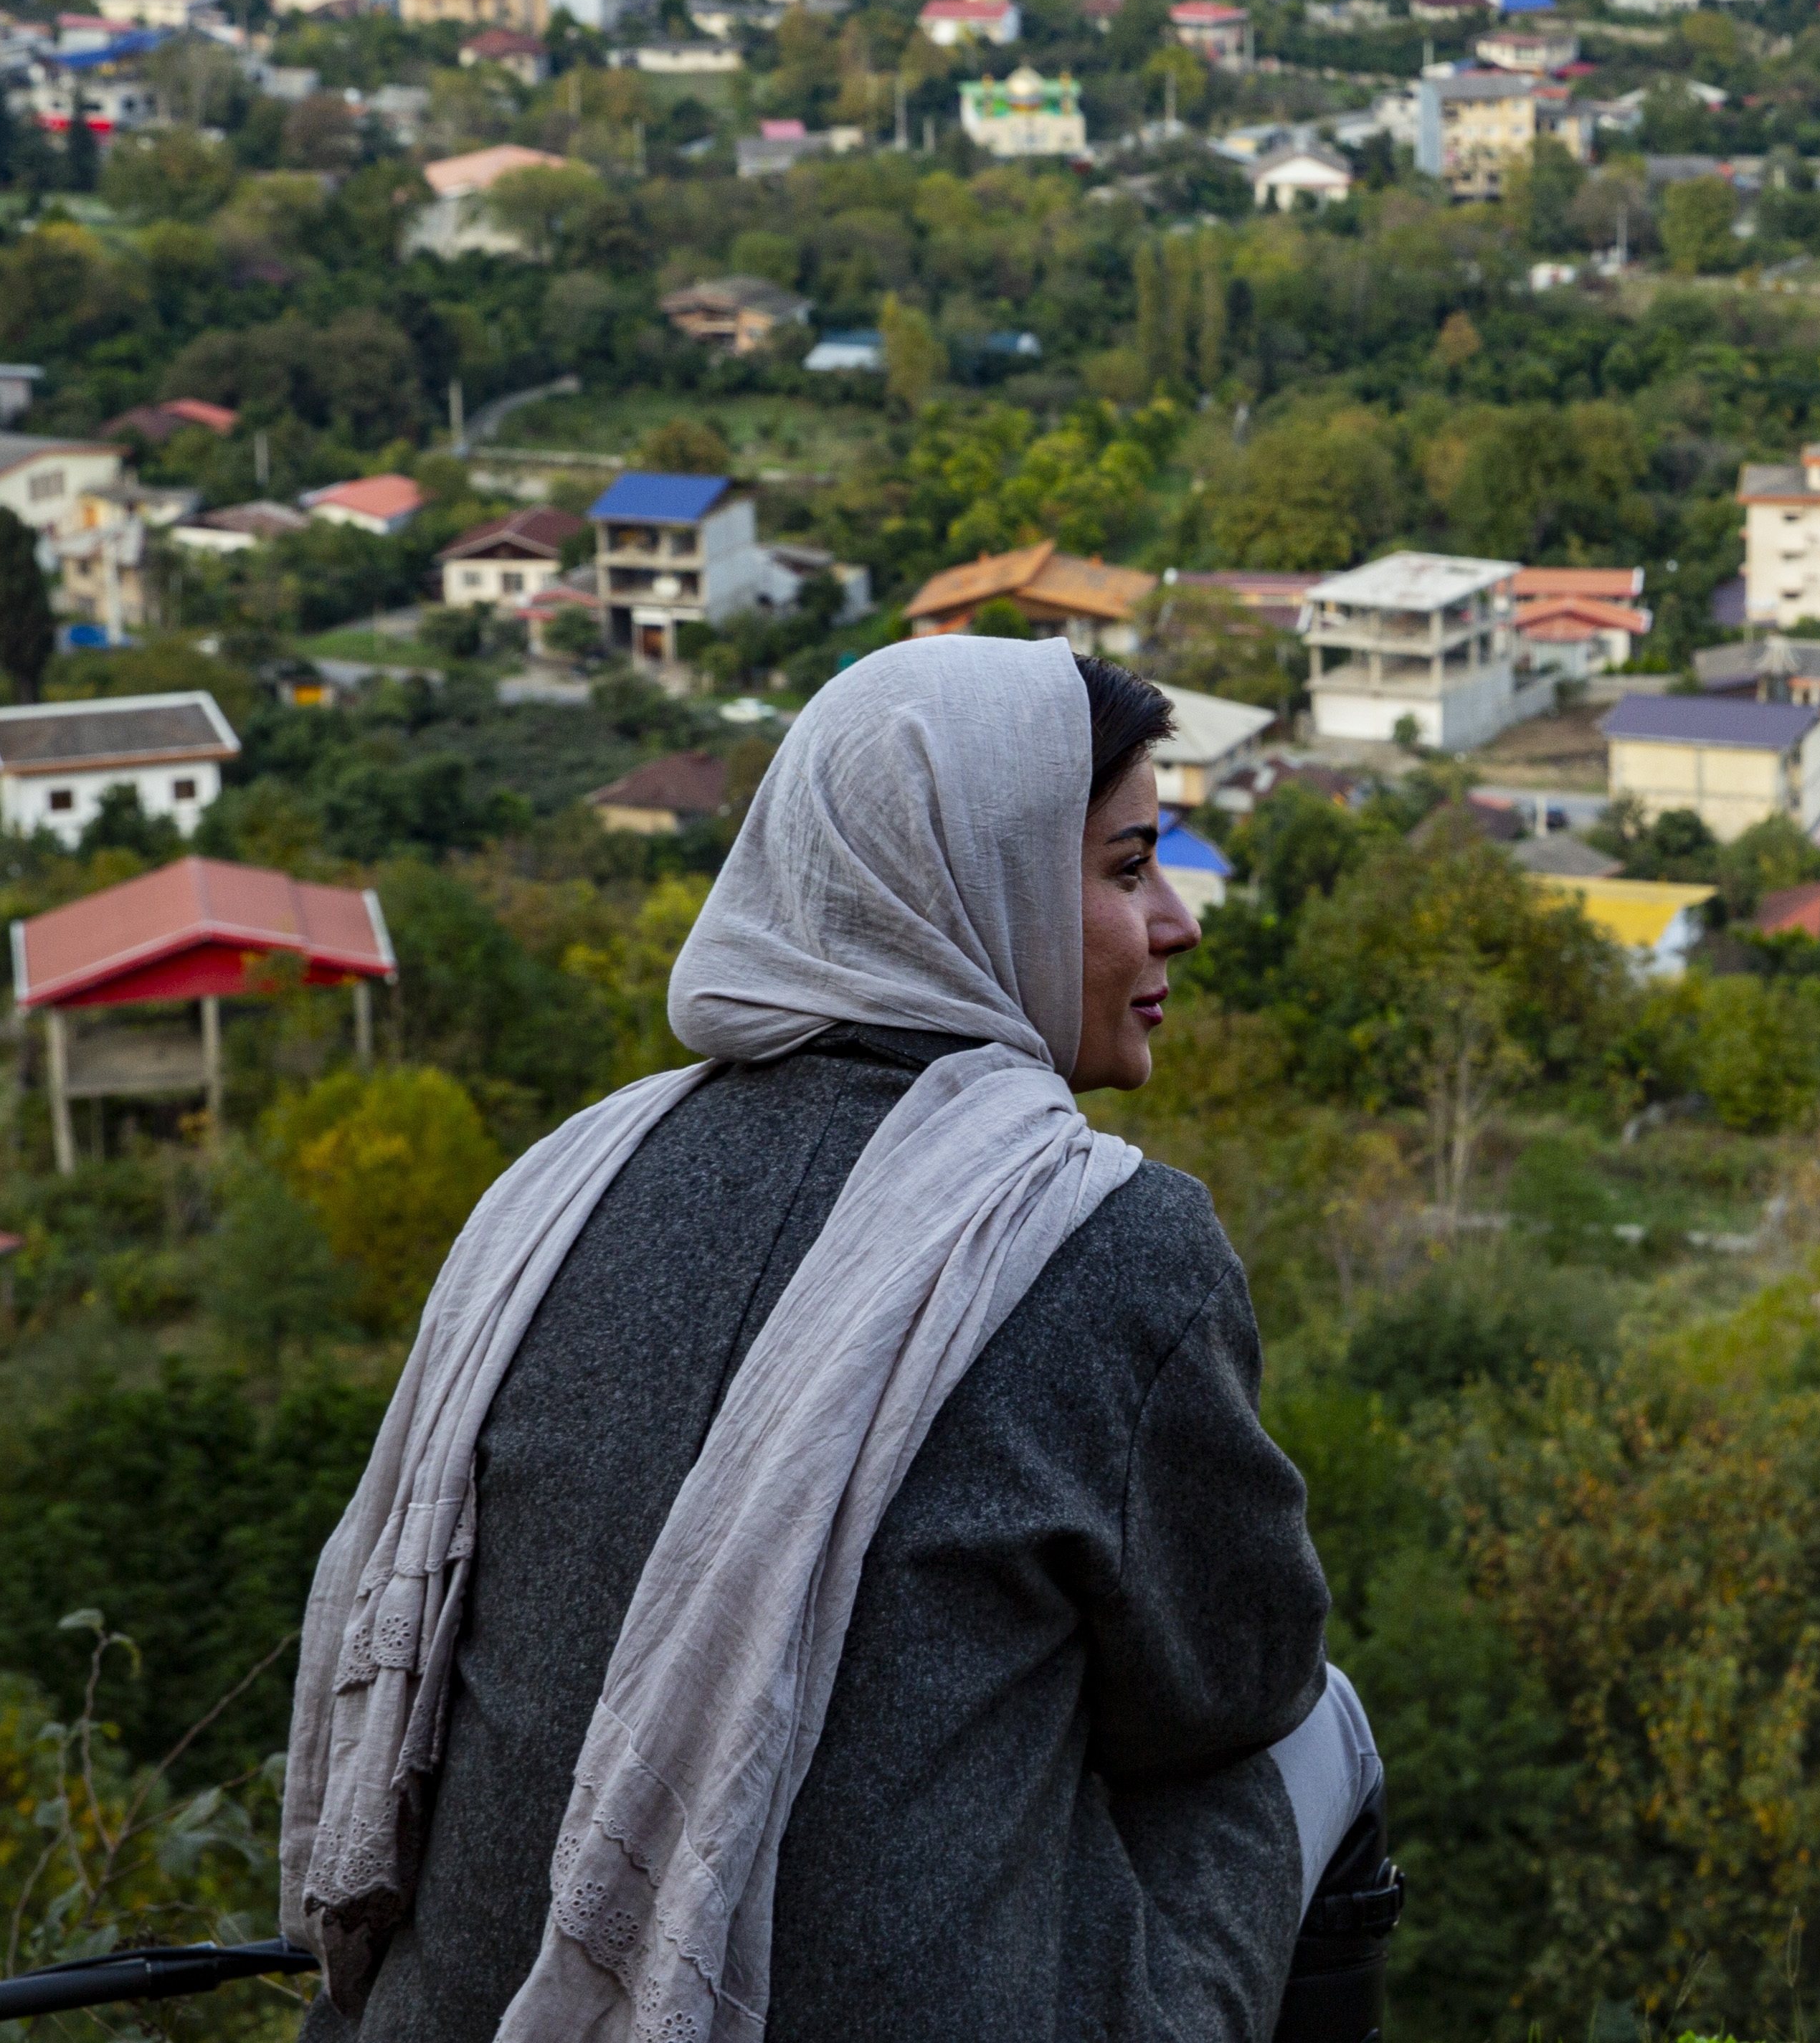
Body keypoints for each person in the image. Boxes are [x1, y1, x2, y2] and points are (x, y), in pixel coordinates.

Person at [283, 635, 1385, 2043]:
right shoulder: (1106, 1245)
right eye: (1123, 870)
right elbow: (1235, 1682)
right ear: (973, 890)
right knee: (1323, 1726)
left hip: (458, 2012)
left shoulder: (563, 1184)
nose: (1177, 921)